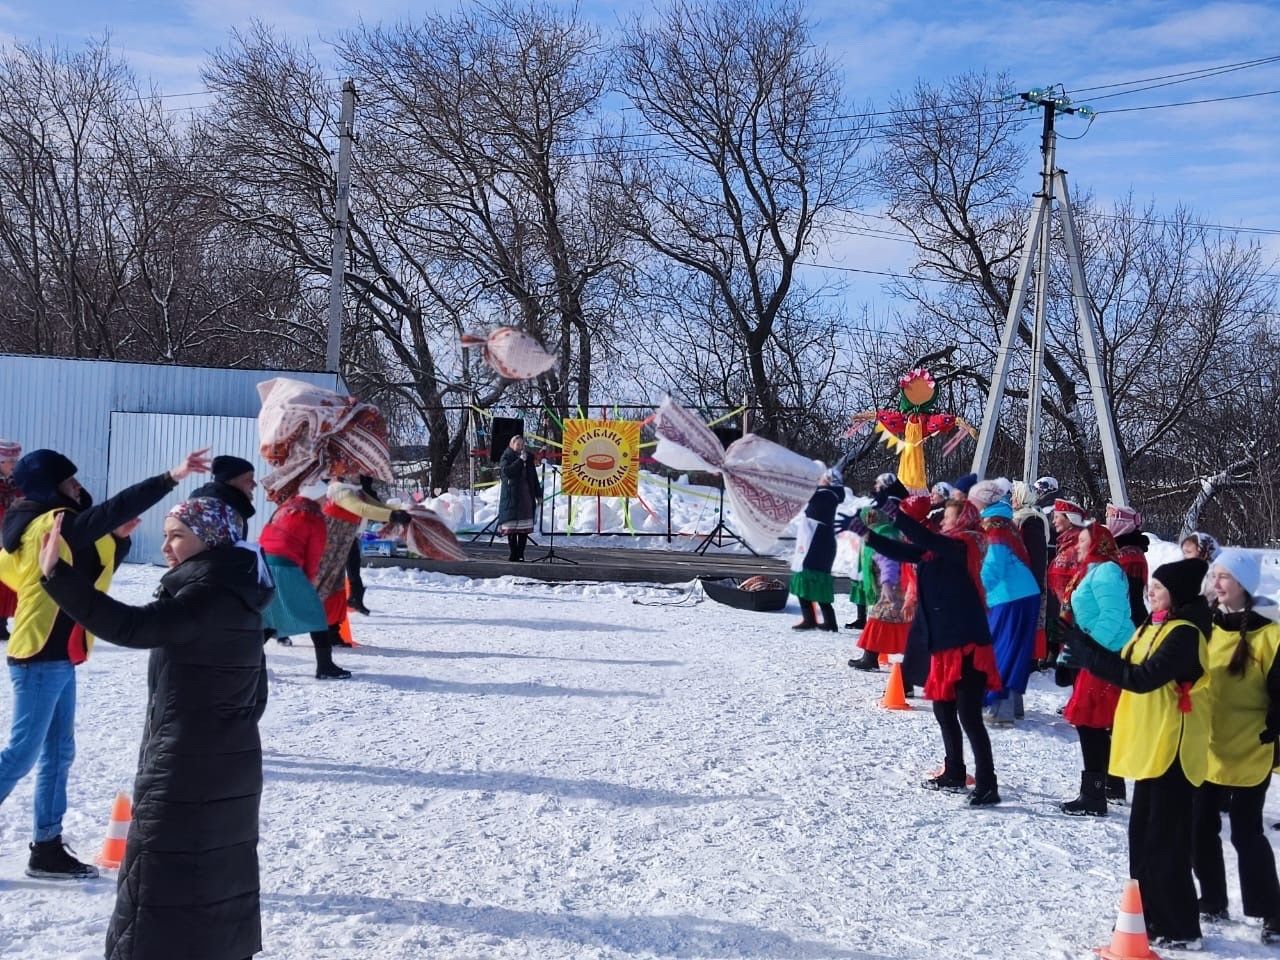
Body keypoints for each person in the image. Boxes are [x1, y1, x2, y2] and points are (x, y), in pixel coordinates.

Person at [38, 498, 270, 960]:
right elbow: (255, 692)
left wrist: (57, 576)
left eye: (177, 535)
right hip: (230, 765)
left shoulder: (207, 594)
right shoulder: (238, 591)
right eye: (164, 534)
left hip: (185, 768)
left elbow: (133, 625)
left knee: (155, 889)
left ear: (210, 539)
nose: (165, 546)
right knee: (213, 884)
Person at [0, 446, 209, 879]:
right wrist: (172, 475)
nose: (78, 486)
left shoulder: (46, 526)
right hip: (41, 653)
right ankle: (46, 844)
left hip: (61, 653)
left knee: (58, 753)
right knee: (21, 755)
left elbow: (85, 568)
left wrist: (117, 537)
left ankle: (46, 847)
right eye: (69, 481)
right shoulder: (53, 522)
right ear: (50, 485)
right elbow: (116, 507)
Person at [1063, 558, 1212, 951]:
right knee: (1142, 836)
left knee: (1165, 840)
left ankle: (1179, 926)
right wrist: (1087, 644)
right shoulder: (1154, 624)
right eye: (1153, 587)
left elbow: (1142, 678)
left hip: (1174, 750)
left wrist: (1089, 655)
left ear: (1177, 595)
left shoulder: (1185, 634)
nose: (1151, 592)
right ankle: (1149, 916)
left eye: (1159, 588)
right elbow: (1124, 661)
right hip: (1152, 746)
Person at [855, 495, 1002, 806]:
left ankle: (988, 784)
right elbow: (904, 549)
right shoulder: (938, 550)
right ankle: (954, 772)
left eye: (948, 518)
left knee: (969, 716)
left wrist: (896, 510)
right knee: (943, 709)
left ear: (962, 520)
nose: (944, 523)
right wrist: (866, 534)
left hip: (968, 644)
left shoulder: (966, 545)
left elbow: (923, 537)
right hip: (945, 643)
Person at [1193, 550, 1280, 942]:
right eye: (1215, 576)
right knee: (1199, 827)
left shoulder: (1271, 634)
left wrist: (1275, 723)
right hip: (1207, 743)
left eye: (1225, 577)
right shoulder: (1204, 625)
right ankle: (1212, 898)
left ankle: (1271, 912)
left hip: (1249, 743)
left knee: (1246, 832)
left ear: (1244, 585)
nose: (1217, 583)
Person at [1058, 523, 1133, 816]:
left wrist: (1087, 652)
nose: (1078, 546)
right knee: (1100, 721)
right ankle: (1111, 785)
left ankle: (1093, 795)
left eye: (1083, 541)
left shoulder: (1107, 572)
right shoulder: (1093, 570)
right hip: (1099, 651)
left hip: (1106, 653)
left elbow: (1113, 616)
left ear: (1098, 543)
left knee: (1090, 721)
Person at [311, 476, 410, 678]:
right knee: (320, 590)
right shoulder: (339, 490)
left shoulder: (355, 490)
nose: (358, 471)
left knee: (336, 588)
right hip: (327, 546)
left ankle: (332, 632)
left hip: (341, 545)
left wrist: (396, 513)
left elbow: (374, 506)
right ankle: (272, 630)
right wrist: (393, 516)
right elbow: (362, 509)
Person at [969, 481, 1040, 726]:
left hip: (1010, 597)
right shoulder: (1003, 523)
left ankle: (1002, 711)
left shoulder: (995, 529)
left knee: (1001, 651)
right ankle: (1013, 706)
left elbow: (993, 568)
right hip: (1019, 594)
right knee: (1013, 648)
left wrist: (974, 590)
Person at [258, 494, 328, 652]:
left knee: (271, 615)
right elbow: (314, 554)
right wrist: (308, 580)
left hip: (263, 563)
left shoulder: (282, 509)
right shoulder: (314, 517)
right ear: (316, 496)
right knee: (316, 614)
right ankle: (325, 666)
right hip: (285, 566)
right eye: (324, 497)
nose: (326, 501)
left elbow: (264, 534)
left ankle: (243, 658)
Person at [848, 507, 909, 669]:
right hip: (890, 586)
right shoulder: (883, 531)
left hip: (893, 587)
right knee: (886, 620)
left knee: (879, 620)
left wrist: (888, 582)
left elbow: (889, 560)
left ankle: (870, 659)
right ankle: (871, 658)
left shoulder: (884, 534)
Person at [790, 466, 844, 632]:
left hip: (817, 543)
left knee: (812, 579)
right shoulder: (828, 494)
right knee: (808, 579)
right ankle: (813, 619)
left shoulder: (827, 495)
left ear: (827, 480)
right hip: (816, 541)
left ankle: (824, 621)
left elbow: (804, 493)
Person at [1047, 498, 1087, 682]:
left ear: (1070, 519)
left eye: (1057, 517)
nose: (1053, 521)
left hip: (1076, 612)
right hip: (1065, 610)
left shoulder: (1078, 546)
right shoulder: (1064, 543)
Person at [1012, 480, 1050, 668]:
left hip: (1031, 578)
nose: (1012, 499)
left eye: (1015, 494)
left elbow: (1037, 554)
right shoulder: (1022, 516)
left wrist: (1035, 584)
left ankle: (1032, 660)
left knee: (1031, 620)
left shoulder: (1032, 519)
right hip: (1022, 577)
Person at [497, 435, 542, 562]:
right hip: (511, 497)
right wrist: (519, 461)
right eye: (518, 444)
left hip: (525, 496)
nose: (521, 447)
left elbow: (533, 478)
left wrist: (538, 494)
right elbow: (507, 471)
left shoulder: (528, 459)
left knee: (523, 529)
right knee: (511, 528)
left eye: (522, 445)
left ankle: (521, 553)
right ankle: (513, 553)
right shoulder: (506, 457)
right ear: (512, 445)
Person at [1106, 504, 1150, 632]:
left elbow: (1130, 598)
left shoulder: (1130, 556)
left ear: (1122, 524)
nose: (1108, 524)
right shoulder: (1118, 550)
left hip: (1129, 623)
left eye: (1111, 519)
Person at [191, 455, 256, 539]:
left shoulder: (231, 504)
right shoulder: (221, 508)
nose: (254, 484)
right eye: (249, 479)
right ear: (231, 480)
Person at [0, 439, 21, 643]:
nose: (14, 464)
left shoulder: (16, 484)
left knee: (7, 583)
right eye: (10, 460)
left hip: (9, 539)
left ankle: (1, 621)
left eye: (16, 459)